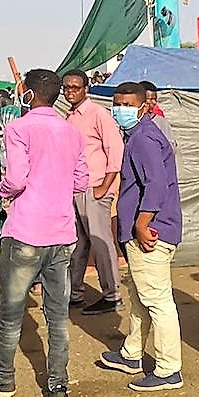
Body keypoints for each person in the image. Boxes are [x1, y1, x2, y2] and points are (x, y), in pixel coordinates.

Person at [0, 69, 87, 397]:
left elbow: (16, 178)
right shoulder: (71, 132)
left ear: (29, 94)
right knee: (58, 316)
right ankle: (58, 386)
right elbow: (81, 182)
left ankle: (3, 378)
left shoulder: (19, 128)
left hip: (26, 233)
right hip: (61, 235)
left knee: (9, 312)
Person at [97, 82, 185, 392]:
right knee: (140, 295)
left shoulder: (144, 138)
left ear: (143, 107)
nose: (119, 109)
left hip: (152, 230)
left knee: (157, 300)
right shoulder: (137, 135)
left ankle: (168, 368)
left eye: (126, 104)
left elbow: (155, 186)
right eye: (116, 103)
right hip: (150, 227)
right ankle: (132, 353)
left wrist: (141, 223)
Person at [62, 69, 124, 315]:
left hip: (95, 186)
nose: (70, 92)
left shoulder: (98, 114)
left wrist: (104, 186)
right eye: (67, 87)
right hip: (76, 188)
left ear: (86, 88)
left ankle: (112, 294)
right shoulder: (69, 117)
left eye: (75, 87)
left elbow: (115, 150)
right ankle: (74, 292)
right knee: (78, 244)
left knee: (101, 241)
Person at [138, 80, 176, 148]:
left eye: (155, 99)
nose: (154, 102)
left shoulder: (160, 121)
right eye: (150, 99)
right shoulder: (130, 121)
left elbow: (171, 144)